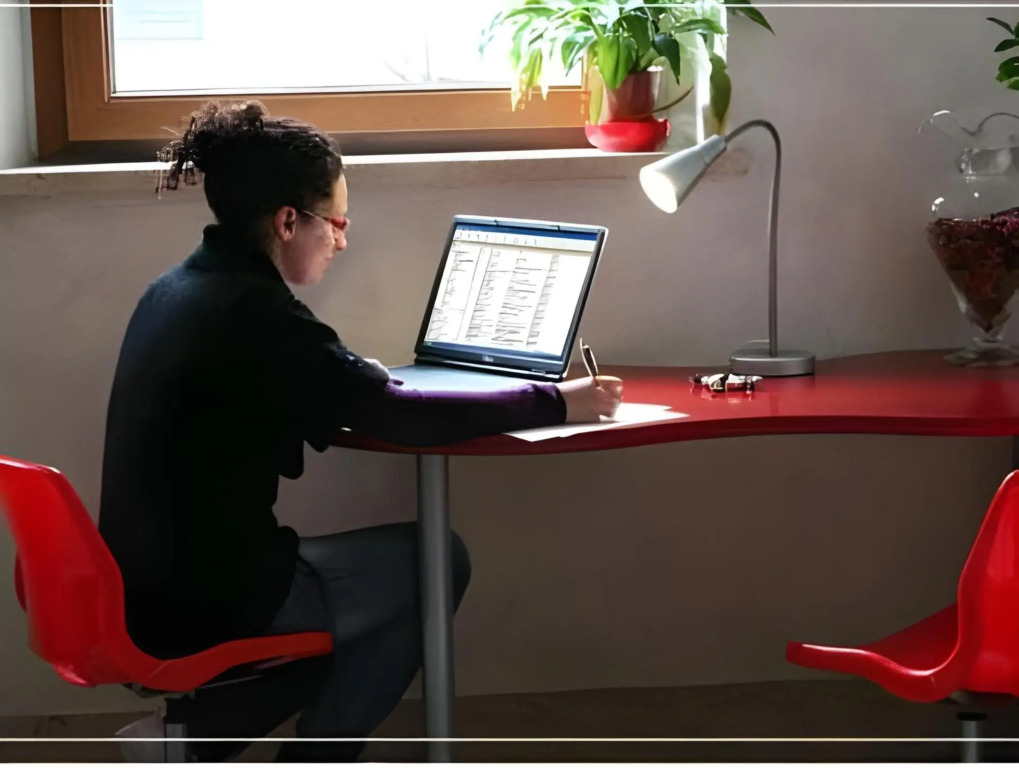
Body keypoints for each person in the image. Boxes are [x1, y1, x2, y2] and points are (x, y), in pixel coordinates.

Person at [98, 100, 623, 761]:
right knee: (431, 565)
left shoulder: (180, 288)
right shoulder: (258, 315)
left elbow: (334, 386)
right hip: (205, 599)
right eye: (337, 223)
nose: (342, 241)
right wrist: (558, 402)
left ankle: (198, 738)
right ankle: (261, 750)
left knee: (380, 609)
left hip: (139, 586)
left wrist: (355, 378)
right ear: (288, 221)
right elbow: (405, 416)